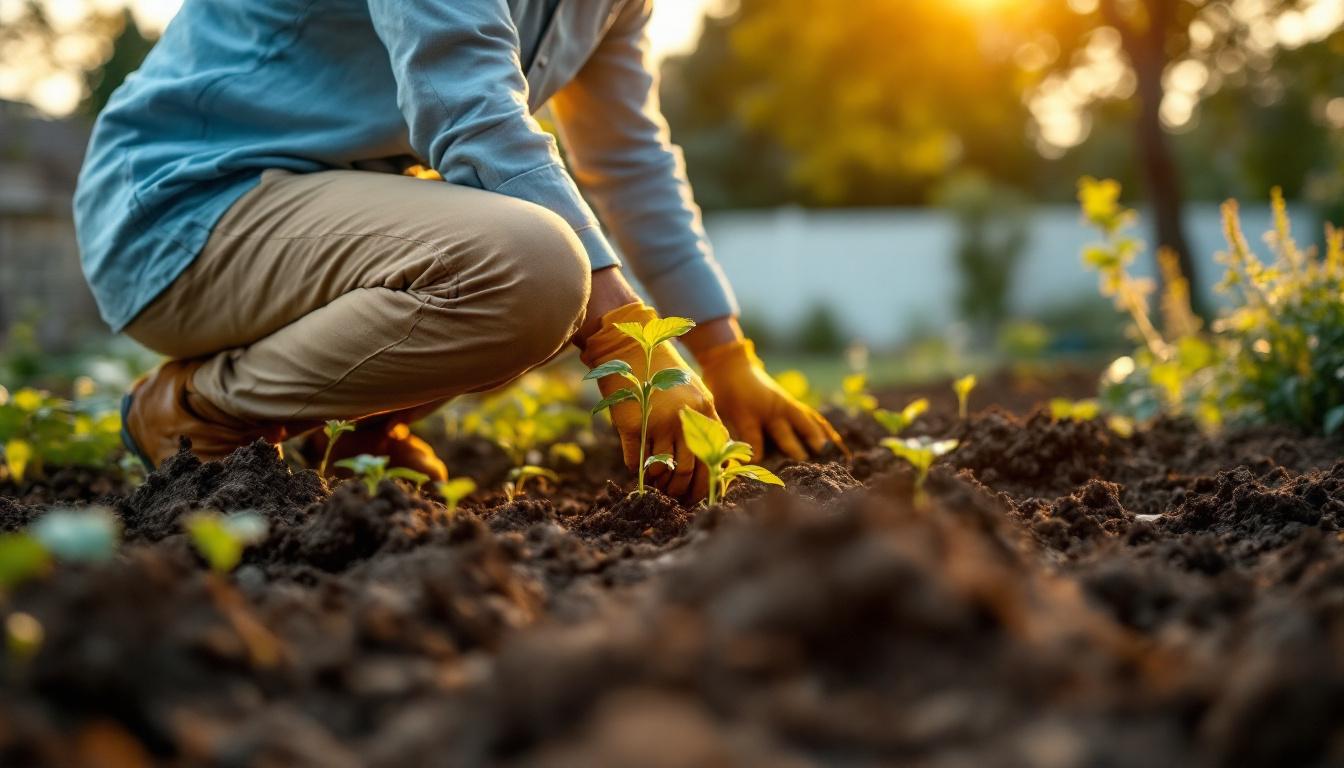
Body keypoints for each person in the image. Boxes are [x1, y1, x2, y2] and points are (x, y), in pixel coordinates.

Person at [75, 0, 842, 501]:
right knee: (535, 264)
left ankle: (356, 440)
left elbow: (629, 160)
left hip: (316, 212)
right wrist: (620, 339)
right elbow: (469, 112)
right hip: (183, 206)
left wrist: (724, 354)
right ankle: (195, 413)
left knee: (546, 250)